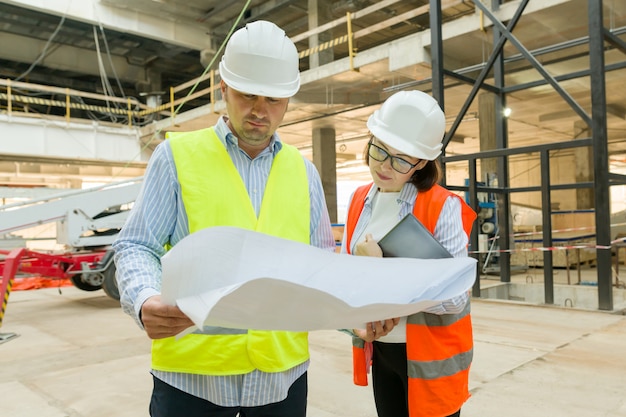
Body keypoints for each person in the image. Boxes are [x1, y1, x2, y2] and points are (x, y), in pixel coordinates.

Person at [113, 20, 335, 417]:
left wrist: (358, 316)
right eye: (248, 95)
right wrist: (144, 298)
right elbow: (136, 245)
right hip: (192, 378)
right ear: (223, 89)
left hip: (281, 377)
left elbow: (322, 267)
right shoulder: (175, 157)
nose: (259, 112)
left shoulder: (304, 174)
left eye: (274, 100)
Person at [340, 90, 477, 417]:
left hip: (432, 360)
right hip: (382, 353)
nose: (384, 166)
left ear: (421, 163)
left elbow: (456, 298)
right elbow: (345, 279)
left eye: (401, 159)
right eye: (379, 150)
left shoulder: (442, 207)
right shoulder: (359, 199)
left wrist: (385, 274)